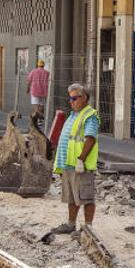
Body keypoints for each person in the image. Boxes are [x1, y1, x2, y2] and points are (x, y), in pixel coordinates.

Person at [51, 83, 100, 232]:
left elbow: (90, 139)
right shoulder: (73, 115)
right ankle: (71, 224)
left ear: (84, 98)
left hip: (80, 165)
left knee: (86, 197)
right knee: (72, 197)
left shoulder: (89, 115)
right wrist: (59, 164)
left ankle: (88, 228)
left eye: (74, 98)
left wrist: (81, 159)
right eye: (70, 99)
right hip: (69, 164)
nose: (71, 102)